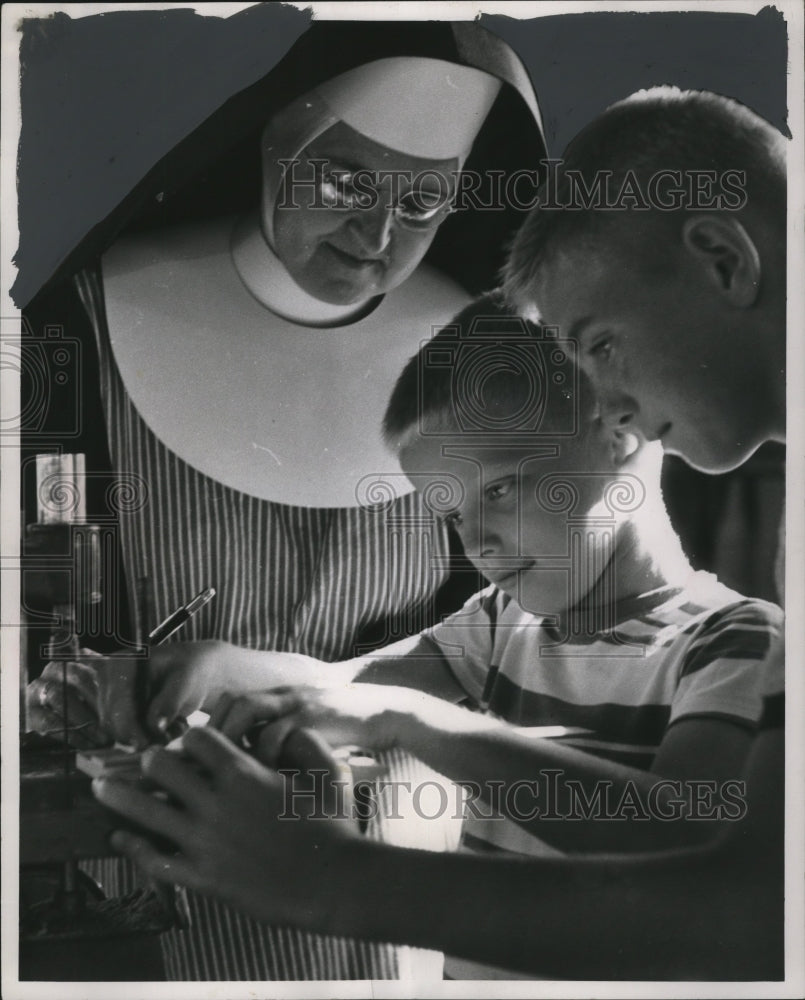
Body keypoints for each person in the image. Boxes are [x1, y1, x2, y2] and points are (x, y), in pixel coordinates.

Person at [21, 19, 546, 982]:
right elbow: (40, 605)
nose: (377, 236)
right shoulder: (85, 325)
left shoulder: (482, 355)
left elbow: (507, 646)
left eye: (423, 199)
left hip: (394, 859)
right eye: (346, 182)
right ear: (274, 143)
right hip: (154, 865)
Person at [94, 289, 785, 979]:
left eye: (500, 490)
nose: (477, 540)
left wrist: (426, 724)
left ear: (617, 435)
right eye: (450, 515)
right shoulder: (498, 624)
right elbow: (342, 685)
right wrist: (210, 664)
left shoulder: (735, 643)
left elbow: (688, 840)